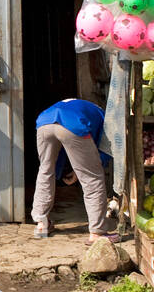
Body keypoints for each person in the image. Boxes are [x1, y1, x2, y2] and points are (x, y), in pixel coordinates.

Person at [31, 98, 117, 243]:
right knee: (93, 178)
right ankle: (97, 232)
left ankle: (41, 224)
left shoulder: (77, 106)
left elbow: (72, 152)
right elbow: (101, 150)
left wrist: (75, 171)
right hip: (73, 124)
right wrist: (84, 170)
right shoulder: (103, 116)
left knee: (46, 171)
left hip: (44, 123)